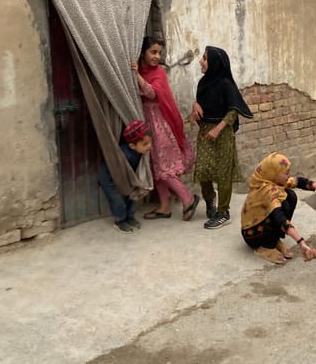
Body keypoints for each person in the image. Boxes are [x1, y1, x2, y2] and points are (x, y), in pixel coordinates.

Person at [132, 36, 199, 221]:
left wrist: (136, 75)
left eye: (159, 53)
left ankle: (188, 199)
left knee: (163, 167)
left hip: (159, 124)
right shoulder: (143, 71)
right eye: (153, 52)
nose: (156, 56)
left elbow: (152, 92)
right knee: (155, 166)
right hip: (147, 123)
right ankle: (164, 206)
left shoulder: (158, 72)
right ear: (143, 53)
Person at [191, 46, 253, 230]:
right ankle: (210, 201)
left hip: (223, 132)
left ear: (215, 63)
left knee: (223, 173)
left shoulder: (226, 84)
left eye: (204, 58)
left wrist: (218, 129)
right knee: (203, 170)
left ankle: (223, 212)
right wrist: (195, 105)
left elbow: (234, 110)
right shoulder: (203, 83)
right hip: (205, 132)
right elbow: (201, 103)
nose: (200, 61)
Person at [240, 152, 316, 264]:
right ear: (274, 174)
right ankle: (264, 248)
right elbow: (279, 218)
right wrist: (301, 242)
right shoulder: (266, 191)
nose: (289, 174)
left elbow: (298, 181)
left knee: (290, 196)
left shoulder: (273, 180)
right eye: (286, 173)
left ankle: (274, 240)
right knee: (282, 207)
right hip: (253, 234)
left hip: (263, 224)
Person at [98, 120, 153, 234]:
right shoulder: (125, 154)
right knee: (117, 200)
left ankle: (130, 217)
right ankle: (120, 221)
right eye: (145, 144)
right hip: (109, 178)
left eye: (149, 143)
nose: (149, 147)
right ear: (132, 145)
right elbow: (120, 172)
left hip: (128, 177)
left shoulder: (139, 153)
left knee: (133, 197)